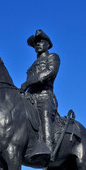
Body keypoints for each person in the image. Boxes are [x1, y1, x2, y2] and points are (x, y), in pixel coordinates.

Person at [20, 30, 60, 158]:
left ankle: (48, 149)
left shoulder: (52, 57)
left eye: (41, 42)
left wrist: (27, 83)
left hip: (44, 96)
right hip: (30, 97)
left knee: (44, 117)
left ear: (48, 45)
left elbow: (49, 72)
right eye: (36, 44)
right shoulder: (32, 66)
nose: (38, 45)